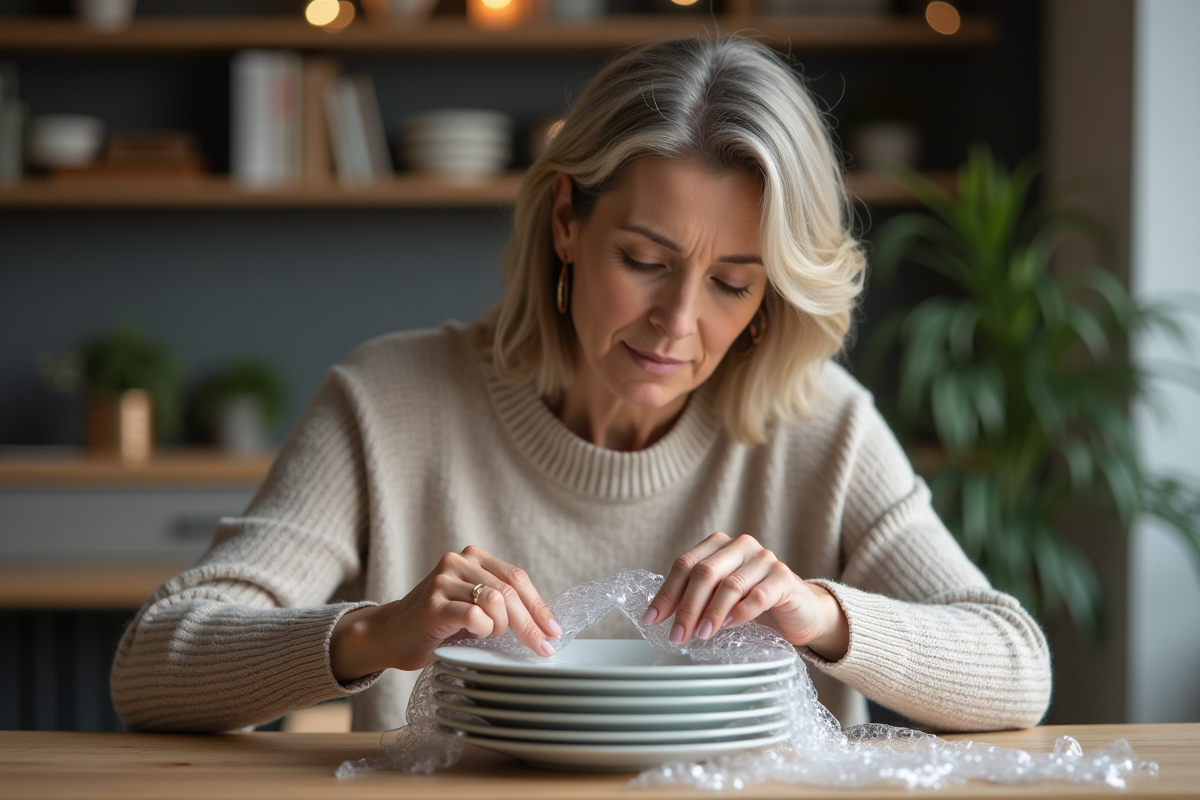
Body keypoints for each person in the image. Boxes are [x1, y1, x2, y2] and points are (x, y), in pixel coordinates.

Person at [111, 36, 1051, 734]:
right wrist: (373, 634)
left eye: (731, 284)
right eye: (644, 261)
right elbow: (151, 664)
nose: (678, 322)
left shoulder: (825, 428)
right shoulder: (387, 401)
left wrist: (822, 614)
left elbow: (1017, 669)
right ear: (567, 219)